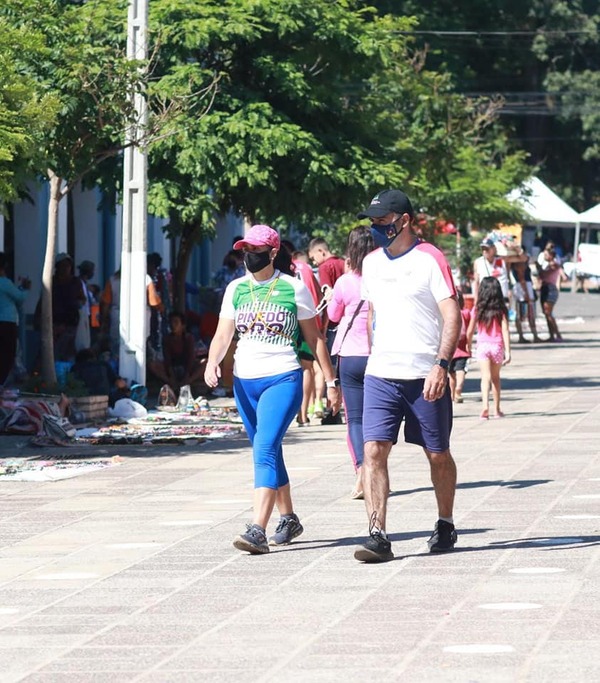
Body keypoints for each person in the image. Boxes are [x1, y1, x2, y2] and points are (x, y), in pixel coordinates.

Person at [204, 224, 341, 555]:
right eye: (245, 251)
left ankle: (257, 530)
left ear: (273, 253)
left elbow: (314, 338)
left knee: (264, 447)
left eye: (255, 250)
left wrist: (331, 381)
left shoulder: (293, 289)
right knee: (268, 449)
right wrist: (212, 362)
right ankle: (289, 517)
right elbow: (224, 335)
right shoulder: (236, 289)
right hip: (244, 381)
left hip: (282, 377)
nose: (249, 256)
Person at [353, 189, 461, 563]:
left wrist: (441, 365)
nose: (376, 226)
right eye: (373, 221)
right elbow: (372, 315)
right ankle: (378, 534)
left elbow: (452, 315)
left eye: (383, 220)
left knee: (437, 455)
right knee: (373, 451)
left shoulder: (430, 259)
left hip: (424, 375)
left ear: (404, 220)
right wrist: (370, 356)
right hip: (381, 373)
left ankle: (445, 521)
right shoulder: (370, 263)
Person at [327, 226, 374, 499]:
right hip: (378, 355)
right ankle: (375, 471)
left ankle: (361, 473)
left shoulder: (345, 282)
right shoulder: (382, 277)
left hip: (350, 356)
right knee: (377, 421)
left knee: (354, 420)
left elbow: (333, 316)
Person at [307, 237, 345, 416]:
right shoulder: (344, 263)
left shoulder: (324, 268)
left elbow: (327, 295)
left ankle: (333, 409)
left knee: (331, 366)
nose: (315, 262)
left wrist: (322, 328)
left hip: (334, 323)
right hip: (352, 320)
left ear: (321, 251)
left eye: (313, 258)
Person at [466, 276, 511, 419]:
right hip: (497, 346)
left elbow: (470, 330)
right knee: (496, 378)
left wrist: (468, 346)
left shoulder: (477, 309)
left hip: (482, 346)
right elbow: (505, 330)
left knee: (485, 377)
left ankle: (485, 406)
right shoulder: (501, 310)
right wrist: (508, 351)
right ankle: (497, 410)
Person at [148, 311, 205, 395]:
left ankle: (185, 383)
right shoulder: (167, 339)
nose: (173, 325)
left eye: (176, 322)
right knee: (152, 364)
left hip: (187, 369)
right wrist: (171, 377)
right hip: (173, 369)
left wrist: (187, 376)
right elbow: (167, 360)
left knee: (205, 363)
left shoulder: (188, 338)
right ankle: (173, 384)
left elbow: (191, 358)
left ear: (183, 325)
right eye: (171, 322)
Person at [0, 253, 30, 386]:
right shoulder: (5, 283)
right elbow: (20, 298)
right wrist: (26, 288)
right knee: (9, 353)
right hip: (7, 323)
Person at [52, 253, 86, 362]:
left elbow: (82, 299)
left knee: (69, 353)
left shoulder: (75, 282)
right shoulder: (52, 281)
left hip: (71, 324)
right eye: (63, 265)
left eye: (68, 265)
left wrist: (77, 304)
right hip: (54, 323)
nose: (66, 268)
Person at [510, 251, 542, 343]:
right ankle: (532, 336)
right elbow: (522, 279)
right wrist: (527, 293)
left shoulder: (516, 263)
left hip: (521, 289)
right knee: (528, 314)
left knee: (522, 315)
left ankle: (523, 336)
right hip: (523, 289)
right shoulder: (520, 264)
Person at [537, 241, 563, 342]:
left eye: (547, 255)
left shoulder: (554, 264)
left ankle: (558, 334)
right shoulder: (547, 264)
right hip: (545, 288)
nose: (545, 256)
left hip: (551, 289)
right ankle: (552, 335)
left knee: (548, 313)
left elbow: (544, 274)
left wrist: (539, 268)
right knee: (546, 313)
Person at [449, 290, 472, 404]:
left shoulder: (449, 314)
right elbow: (470, 329)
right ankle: (458, 389)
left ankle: (452, 394)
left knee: (451, 374)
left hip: (451, 349)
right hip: (463, 349)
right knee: (460, 371)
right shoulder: (466, 313)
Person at [473, 238, 510, 304]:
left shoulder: (502, 260)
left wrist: (504, 246)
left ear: (493, 248)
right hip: (486, 299)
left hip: (502, 299)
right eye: (483, 249)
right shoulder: (478, 262)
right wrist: (476, 300)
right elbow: (476, 283)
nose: (484, 251)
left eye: (487, 249)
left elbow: (522, 258)